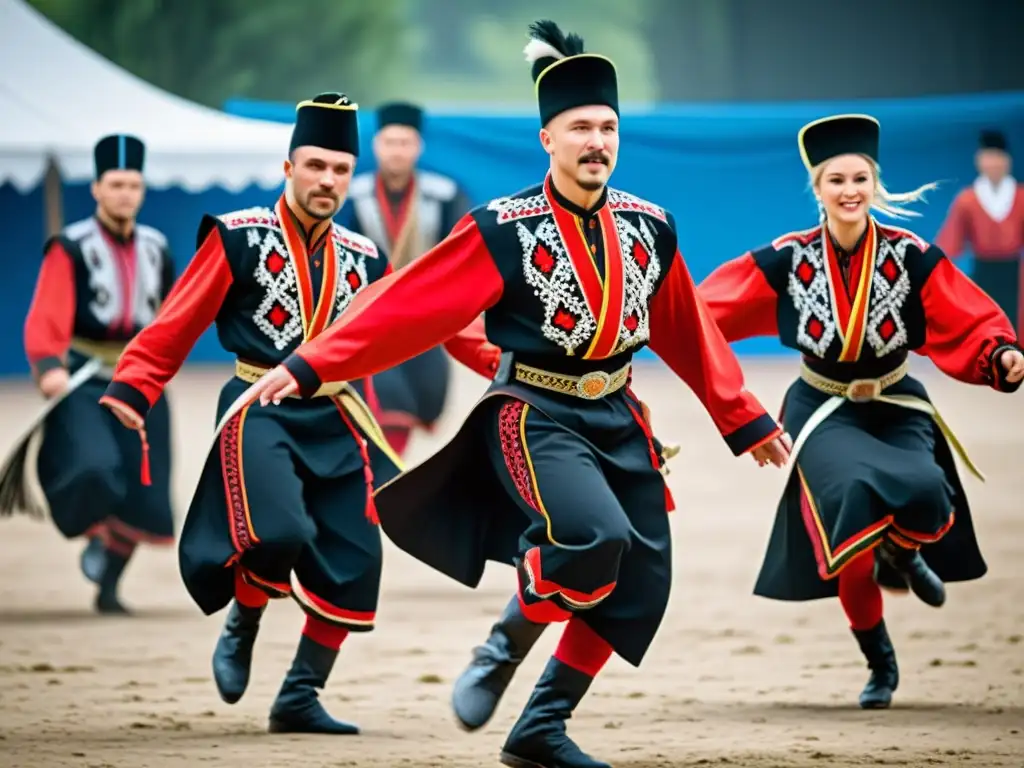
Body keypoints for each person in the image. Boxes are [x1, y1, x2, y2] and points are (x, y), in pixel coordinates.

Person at [246, 22, 790, 768]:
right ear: (547, 139)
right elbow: (413, 302)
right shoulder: (503, 227)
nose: (597, 141)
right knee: (595, 538)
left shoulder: (650, 227)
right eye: (580, 129)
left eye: (607, 127)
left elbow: (686, 328)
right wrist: (313, 364)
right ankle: (506, 641)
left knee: (641, 581)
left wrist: (744, 416)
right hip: (534, 412)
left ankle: (540, 726)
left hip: (619, 415)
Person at [97, 93, 500, 735]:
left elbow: (428, 314)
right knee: (277, 529)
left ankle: (299, 696)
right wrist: (134, 387)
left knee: (357, 557)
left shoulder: (365, 256)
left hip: (338, 415)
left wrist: (498, 361)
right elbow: (178, 320)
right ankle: (244, 621)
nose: (328, 181)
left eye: (340, 169)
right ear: (289, 168)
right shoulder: (238, 236)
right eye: (315, 166)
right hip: (259, 408)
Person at [696, 114, 1024, 710]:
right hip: (821, 407)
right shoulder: (786, 258)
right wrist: (636, 329)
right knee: (851, 511)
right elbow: (700, 312)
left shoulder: (911, 255)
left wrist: (999, 353)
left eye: (861, 178)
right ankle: (880, 662)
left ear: (875, 184)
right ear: (817, 189)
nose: (850, 190)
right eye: (836, 179)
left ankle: (902, 552)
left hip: (897, 403)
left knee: (929, 494)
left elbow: (967, 315)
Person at [0, 134, 176, 615]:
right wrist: (48, 367)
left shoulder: (157, 247)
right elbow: (47, 312)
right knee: (94, 467)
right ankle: (96, 537)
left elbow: (174, 313)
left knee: (147, 490)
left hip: (140, 379)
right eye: (116, 184)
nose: (125, 194)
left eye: (133, 185)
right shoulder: (71, 246)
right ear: (97, 188)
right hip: (82, 375)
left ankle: (109, 585)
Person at [343, 101, 474, 458]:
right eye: (390, 142)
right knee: (383, 396)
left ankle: (392, 473)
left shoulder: (444, 194)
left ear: (418, 146)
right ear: (376, 145)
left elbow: (463, 252)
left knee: (425, 395)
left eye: (405, 142)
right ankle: (385, 476)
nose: (397, 151)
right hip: (373, 317)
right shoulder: (353, 195)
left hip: (426, 318)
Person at [935, 129, 1024, 334]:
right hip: (982, 274)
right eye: (988, 157)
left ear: (1007, 161)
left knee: (1016, 330)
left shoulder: (1021, 197)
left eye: (998, 157)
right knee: (984, 329)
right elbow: (949, 244)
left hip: (1015, 275)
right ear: (979, 160)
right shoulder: (967, 200)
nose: (993, 163)